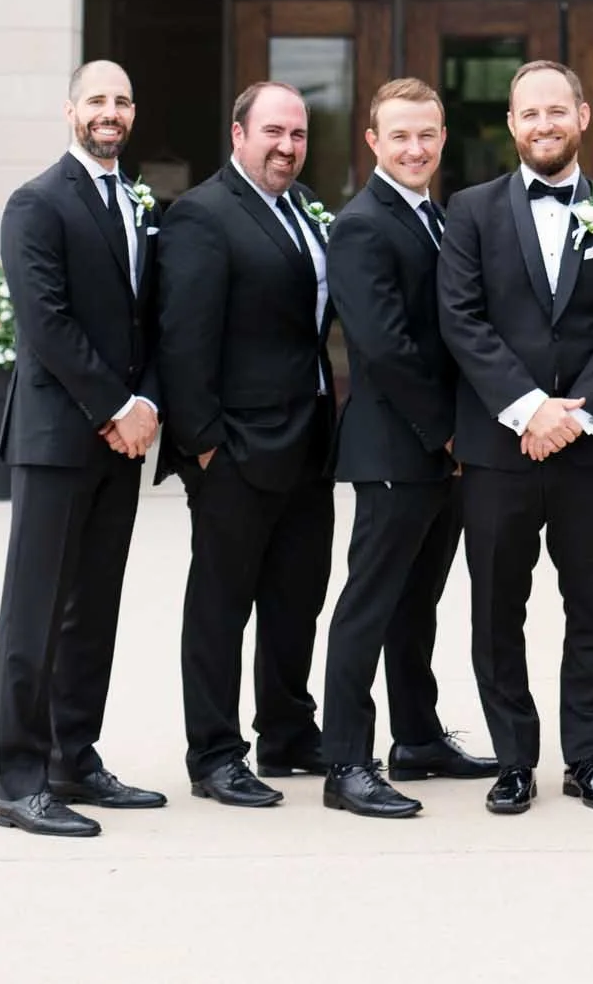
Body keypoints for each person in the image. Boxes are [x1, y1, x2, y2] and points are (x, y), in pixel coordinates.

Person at [437, 59, 593, 817]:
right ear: (509, 124)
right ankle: (513, 760)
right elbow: (461, 320)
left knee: (591, 604)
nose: (543, 125)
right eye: (528, 114)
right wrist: (530, 409)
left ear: (582, 117)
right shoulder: (466, 211)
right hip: (499, 448)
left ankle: (587, 758)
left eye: (556, 112)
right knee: (498, 608)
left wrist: (576, 415)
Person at [0, 59, 166, 837]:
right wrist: (117, 406)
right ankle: (19, 781)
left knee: (92, 609)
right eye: (97, 98)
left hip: (119, 443)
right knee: (35, 613)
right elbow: (47, 323)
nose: (111, 111)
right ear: (70, 110)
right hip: (59, 437)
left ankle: (74, 758)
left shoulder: (135, 201)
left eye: (123, 100)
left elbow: (147, 317)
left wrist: (148, 404)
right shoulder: (34, 204)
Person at [155, 81, 337, 808]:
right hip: (234, 449)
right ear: (238, 134)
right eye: (273, 132)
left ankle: (288, 732)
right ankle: (214, 754)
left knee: (297, 598)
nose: (287, 147)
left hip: (308, 442)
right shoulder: (204, 214)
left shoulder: (299, 209)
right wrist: (202, 446)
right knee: (221, 606)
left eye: (296, 134)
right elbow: (183, 337)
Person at [320, 77, 496, 818]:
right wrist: (451, 429)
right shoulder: (363, 224)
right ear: (373, 142)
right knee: (368, 603)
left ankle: (417, 737)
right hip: (397, 447)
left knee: (416, 603)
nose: (414, 148)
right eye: (399, 136)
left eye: (426, 135)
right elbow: (384, 349)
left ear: (442, 137)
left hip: (438, 453)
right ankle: (346, 763)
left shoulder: (439, 216)